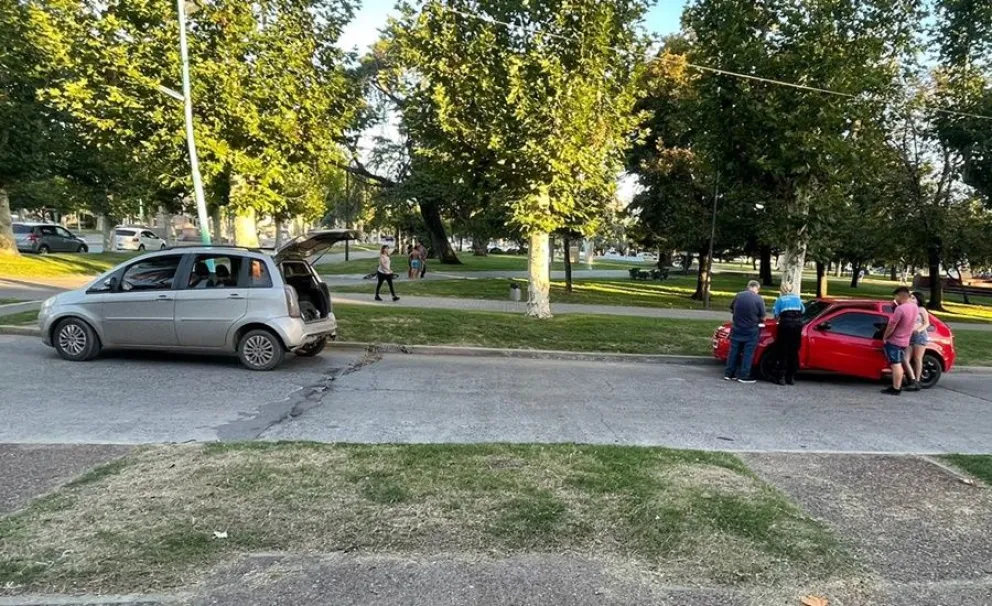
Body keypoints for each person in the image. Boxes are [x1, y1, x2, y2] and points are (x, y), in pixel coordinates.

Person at [724, 280, 766, 384]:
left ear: (747, 287)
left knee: (733, 351)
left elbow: (732, 308)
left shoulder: (738, 295)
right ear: (757, 288)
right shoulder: (759, 299)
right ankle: (744, 375)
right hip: (751, 330)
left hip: (737, 328)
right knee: (748, 353)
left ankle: (729, 373)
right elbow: (763, 317)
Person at [881, 286, 917, 395]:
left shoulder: (900, 309)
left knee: (895, 364)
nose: (895, 299)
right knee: (899, 363)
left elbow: (891, 325)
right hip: (905, 340)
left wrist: (885, 337)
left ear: (899, 296)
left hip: (895, 340)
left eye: (895, 296)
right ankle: (897, 385)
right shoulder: (914, 307)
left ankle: (896, 388)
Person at [771, 281, 805, 386]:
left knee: (783, 351)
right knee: (794, 352)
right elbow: (803, 310)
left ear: (782, 289)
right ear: (791, 289)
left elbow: (776, 315)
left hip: (785, 327)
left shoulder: (780, 300)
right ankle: (791, 377)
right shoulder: (797, 299)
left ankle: (780, 377)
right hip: (797, 327)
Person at [903, 290, 931, 391]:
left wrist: (918, 330)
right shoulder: (909, 309)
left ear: (918, 300)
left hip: (919, 336)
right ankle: (912, 379)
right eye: (910, 297)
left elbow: (927, 323)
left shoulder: (921, 309)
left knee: (917, 359)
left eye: (913, 298)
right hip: (909, 336)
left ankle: (918, 381)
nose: (911, 299)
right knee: (905, 359)